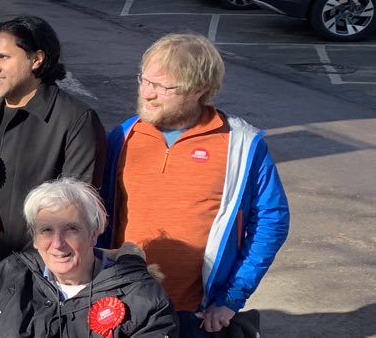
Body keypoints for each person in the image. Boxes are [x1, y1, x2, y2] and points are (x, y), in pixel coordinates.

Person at [99, 33, 289, 337]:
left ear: (198, 90)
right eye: (144, 80)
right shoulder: (124, 135)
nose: (146, 93)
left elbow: (271, 221)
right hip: (122, 304)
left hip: (194, 314)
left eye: (161, 86)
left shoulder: (240, 145)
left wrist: (230, 299)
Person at [0, 16, 106, 307]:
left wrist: (10, 270)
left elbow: (75, 217)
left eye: (3, 57)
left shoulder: (75, 120)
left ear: (37, 59)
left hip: (34, 290)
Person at [0, 179, 177, 337]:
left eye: (71, 229)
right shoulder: (6, 278)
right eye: (46, 230)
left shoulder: (143, 299)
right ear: (34, 237)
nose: (57, 243)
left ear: (94, 234)